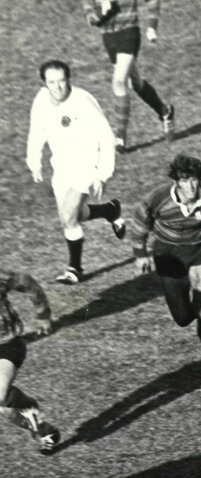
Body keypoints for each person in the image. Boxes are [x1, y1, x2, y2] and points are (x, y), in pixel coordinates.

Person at [26, 59, 127, 285]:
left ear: (68, 79)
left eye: (62, 81)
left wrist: (102, 174)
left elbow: (106, 137)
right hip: (61, 167)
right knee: (74, 216)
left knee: (69, 216)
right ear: (44, 83)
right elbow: (36, 131)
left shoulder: (82, 102)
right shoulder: (41, 100)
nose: (58, 86)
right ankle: (109, 210)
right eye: (52, 82)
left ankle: (75, 269)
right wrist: (34, 161)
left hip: (87, 164)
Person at [131, 154, 201, 375]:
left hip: (199, 252)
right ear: (176, 182)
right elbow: (140, 220)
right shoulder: (159, 198)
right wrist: (140, 254)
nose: (191, 186)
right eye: (185, 180)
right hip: (168, 253)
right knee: (183, 317)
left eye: (194, 180)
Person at [81, 0, 174, 152]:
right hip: (109, 38)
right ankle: (165, 112)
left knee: (119, 82)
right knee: (135, 83)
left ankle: (120, 136)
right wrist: (103, 13)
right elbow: (90, 18)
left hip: (129, 32)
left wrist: (152, 26)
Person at [0, 268, 59, 454]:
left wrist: (43, 313)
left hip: (6, 345)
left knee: (0, 395)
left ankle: (29, 406)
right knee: (7, 410)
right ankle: (40, 428)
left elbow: (25, 281)